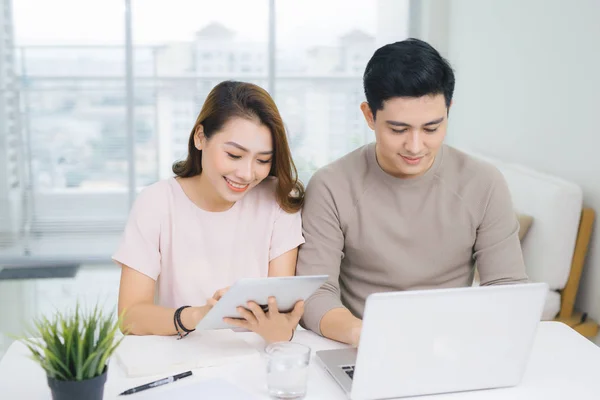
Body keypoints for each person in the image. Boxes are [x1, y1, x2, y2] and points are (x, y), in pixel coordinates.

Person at [296, 38, 529, 346]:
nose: (416, 147)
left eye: (432, 129)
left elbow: (507, 287)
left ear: (448, 110)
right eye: (398, 130)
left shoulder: (483, 182)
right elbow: (315, 293)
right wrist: (365, 336)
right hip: (360, 346)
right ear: (369, 116)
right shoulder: (331, 185)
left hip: (453, 346)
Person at [114, 80, 305, 343]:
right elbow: (129, 317)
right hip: (180, 359)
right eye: (234, 155)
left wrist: (281, 330)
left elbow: (281, 318)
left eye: (263, 160)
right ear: (200, 137)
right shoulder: (157, 202)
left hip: (253, 359)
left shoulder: (279, 200)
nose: (247, 174)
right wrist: (198, 316)